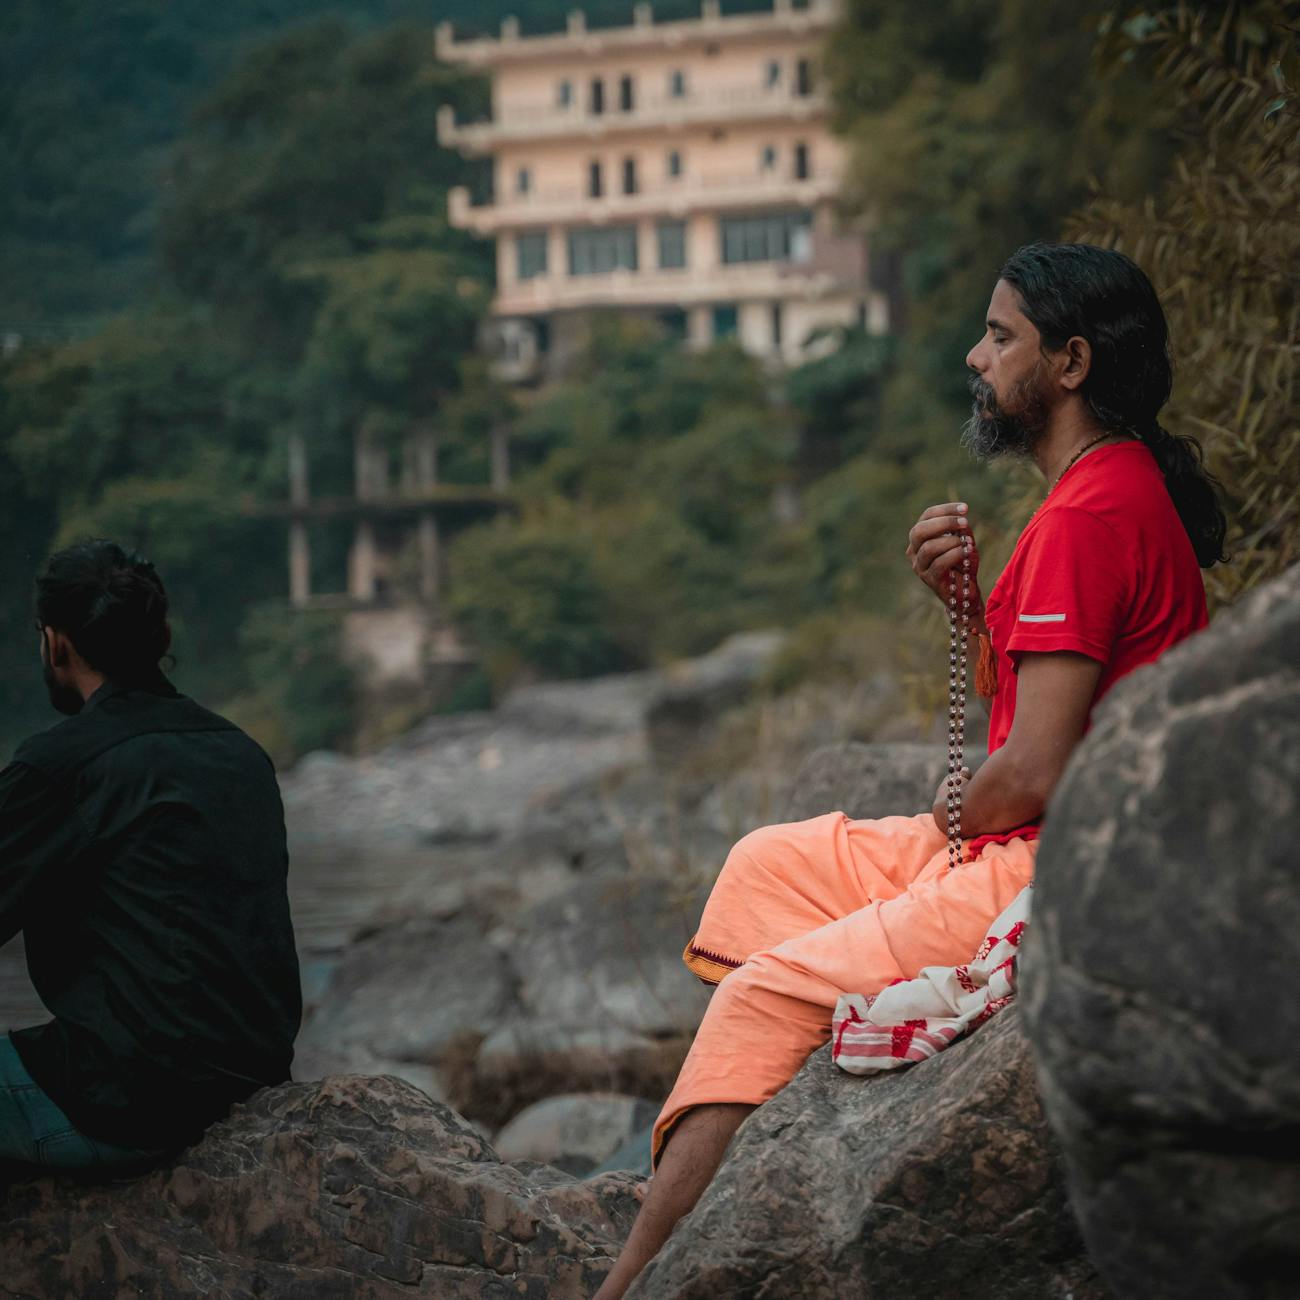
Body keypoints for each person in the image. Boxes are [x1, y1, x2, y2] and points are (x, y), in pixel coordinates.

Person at [594, 242, 1227, 1298]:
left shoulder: (1087, 517)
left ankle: (629, 1277)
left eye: (1000, 336)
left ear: (1070, 363)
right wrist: (968, 608)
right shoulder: (1099, 489)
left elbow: (1033, 771)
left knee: (759, 993)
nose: (975, 357)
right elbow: (1036, 699)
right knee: (768, 864)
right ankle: (760, 1112)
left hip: (1054, 864)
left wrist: (956, 808)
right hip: (1026, 838)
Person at [0, 540, 301, 1173]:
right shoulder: (240, 753)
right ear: (159, 636)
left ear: (55, 643)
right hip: (252, 1084)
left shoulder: (62, 765)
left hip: (128, 1104)